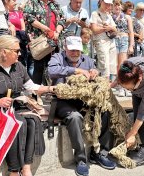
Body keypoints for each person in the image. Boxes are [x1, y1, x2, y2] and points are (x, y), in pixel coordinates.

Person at [0, 35, 54, 176]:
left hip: (14, 109)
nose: (20, 53)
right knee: (20, 122)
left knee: (33, 121)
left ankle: (26, 167)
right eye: (16, 51)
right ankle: (13, 170)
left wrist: (50, 89)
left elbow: (31, 87)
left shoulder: (19, 66)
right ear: (4, 52)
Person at [48, 36, 116, 176]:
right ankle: (81, 158)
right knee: (75, 117)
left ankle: (100, 153)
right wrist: (76, 71)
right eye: (72, 50)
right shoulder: (57, 57)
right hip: (63, 101)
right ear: (65, 48)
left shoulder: (88, 60)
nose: (75, 53)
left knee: (104, 111)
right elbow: (52, 71)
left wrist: (95, 72)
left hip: (85, 101)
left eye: (77, 51)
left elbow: (96, 75)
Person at [23, 0, 65, 85]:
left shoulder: (55, 5)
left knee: (54, 67)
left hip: (54, 40)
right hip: (40, 40)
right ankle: (36, 94)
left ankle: (51, 91)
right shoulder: (32, 2)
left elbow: (62, 19)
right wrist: (44, 28)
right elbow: (28, 17)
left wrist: (57, 32)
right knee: (38, 67)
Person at [90, 0, 117, 80]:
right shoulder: (95, 13)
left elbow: (115, 30)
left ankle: (110, 85)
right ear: (101, 1)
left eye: (109, 4)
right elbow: (94, 30)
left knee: (112, 64)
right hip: (100, 41)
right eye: (106, 3)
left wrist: (110, 27)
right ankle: (105, 86)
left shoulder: (109, 15)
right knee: (104, 63)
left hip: (111, 41)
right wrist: (106, 28)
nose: (107, 6)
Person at [0, 0, 28, 67]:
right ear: (6, 0)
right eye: (13, 0)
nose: (16, 3)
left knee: (21, 61)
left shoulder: (18, 13)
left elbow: (23, 28)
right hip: (8, 41)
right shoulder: (1, 13)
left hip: (19, 41)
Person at [112, 0, 134, 96]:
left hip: (124, 40)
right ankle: (120, 86)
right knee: (116, 65)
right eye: (115, 5)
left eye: (119, 4)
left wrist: (131, 45)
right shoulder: (110, 17)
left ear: (122, 6)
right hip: (114, 40)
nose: (117, 6)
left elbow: (131, 32)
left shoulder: (127, 17)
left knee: (123, 64)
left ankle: (125, 85)